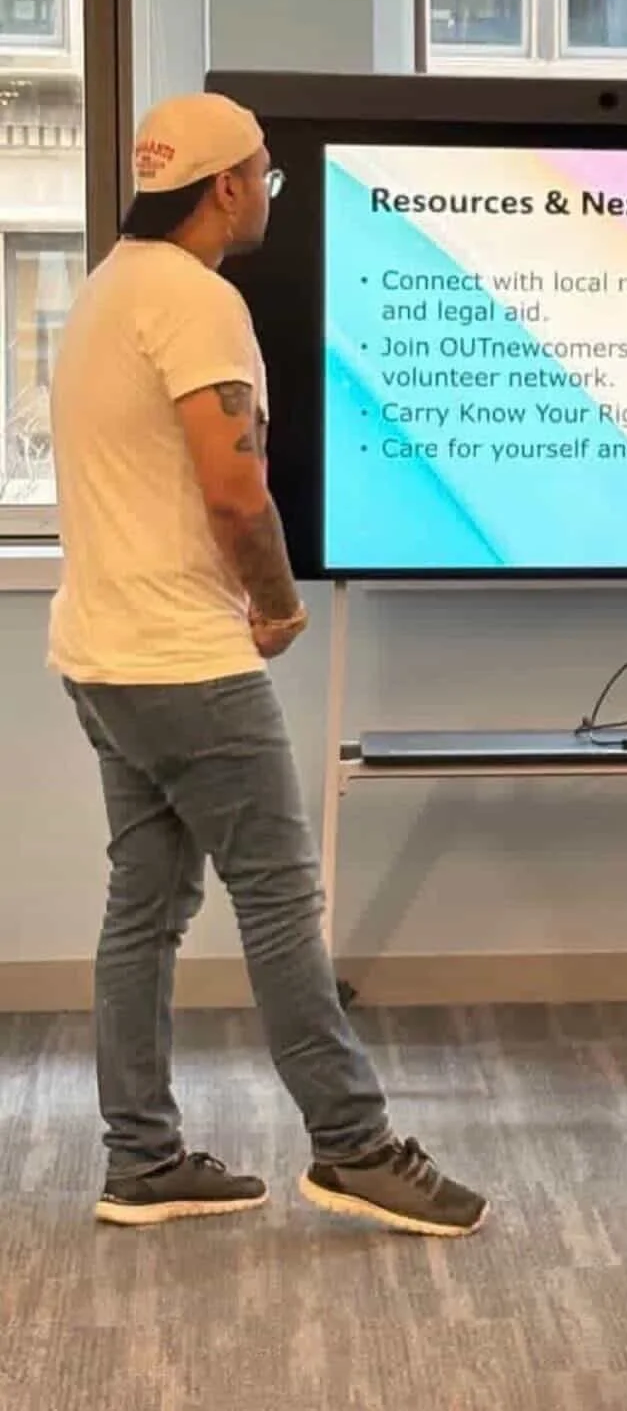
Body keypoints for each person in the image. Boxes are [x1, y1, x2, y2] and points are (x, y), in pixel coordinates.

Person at [50, 92, 488, 1238]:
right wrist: (279, 606)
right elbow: (235, 488)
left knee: (144, 903)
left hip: (100, 649)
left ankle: (140, 1158)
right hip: (185, 659)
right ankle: (353, 1144)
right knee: (281, 899)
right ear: (226, 186)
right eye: (267, 177)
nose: (268, 196)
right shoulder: (198, 302)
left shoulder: (105, 289)